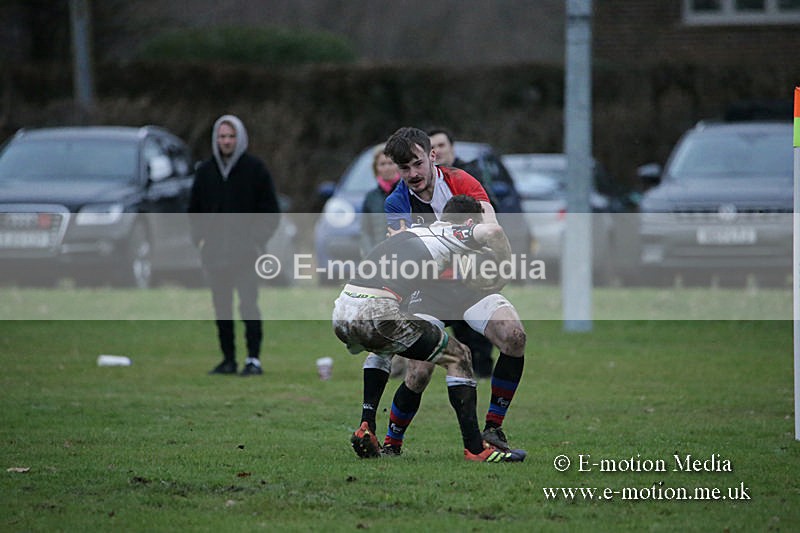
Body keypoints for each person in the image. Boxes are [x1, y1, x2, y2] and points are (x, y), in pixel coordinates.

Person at [354, 127, 527, 457]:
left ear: (432, 155)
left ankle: (493, 428)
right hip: (427, 291)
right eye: (404, 168)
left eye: (417, 164)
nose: (413, 174)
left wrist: (497, 263)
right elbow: (413, 256)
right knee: (419, 370)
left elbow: (492, 228)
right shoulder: (397, 202)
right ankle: (393, 441)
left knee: (514, 336)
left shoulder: (462, 182)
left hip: (470, 286)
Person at [188, 114, 280, 376]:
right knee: (222, 307)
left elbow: (270, 211)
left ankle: (253, 359)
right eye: (222, 136)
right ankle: (227, 359)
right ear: (216, 139)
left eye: (231, 136)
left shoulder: (256, 170)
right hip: (215, 254)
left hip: (247, 255)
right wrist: (200, 238)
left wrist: (255, 239)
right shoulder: (205, 172)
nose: (226, 141)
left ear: (239, 139)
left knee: (248, 305)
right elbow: (194, 210)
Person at [428, 127, 496, 378]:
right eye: (432, 147)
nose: (438, 151)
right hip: (443, 261)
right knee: (453, 318)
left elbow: (490, 208)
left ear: (452, 147)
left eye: (442, 145)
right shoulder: (427, 183)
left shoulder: (470, 175)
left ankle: (483, 367)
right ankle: (463, 367)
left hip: (473, 257)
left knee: (478, 311)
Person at [360, 144, 400, 255]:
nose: (387, 168)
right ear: (376, 168)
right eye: (382, 164)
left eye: (390, 163)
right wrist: (370, 255)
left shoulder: (408, 192)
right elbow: (366, 232)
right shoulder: (371, 198)